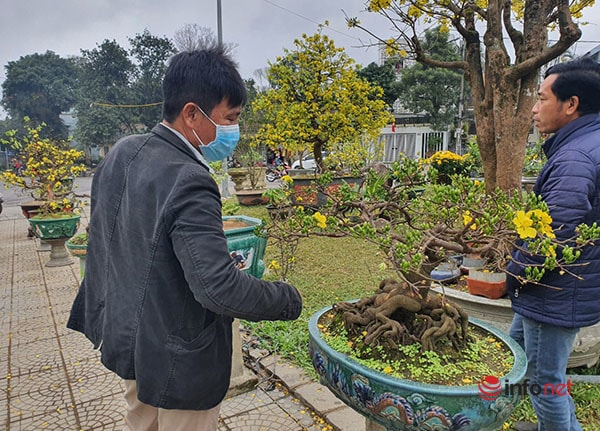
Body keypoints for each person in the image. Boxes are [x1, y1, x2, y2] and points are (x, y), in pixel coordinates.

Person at [67, 47, 303, 431]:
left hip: (130, 342)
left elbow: (105, 244)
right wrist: (287, 299)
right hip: (178, 360)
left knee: (141, 423)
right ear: (192, 113)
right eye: (230, 119)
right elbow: (218, 289)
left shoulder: (122, 153)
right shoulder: (190, 179)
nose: (233, 131)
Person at [507, 57, 600, 431]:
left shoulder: (575, 157)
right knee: (514, 353)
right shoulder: (589, 143)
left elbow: (552, 240)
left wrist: (513, 272)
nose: (533, 108)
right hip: (563, 289)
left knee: (545, 383)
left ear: (571, 104)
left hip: (553, 292)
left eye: (541, 98)